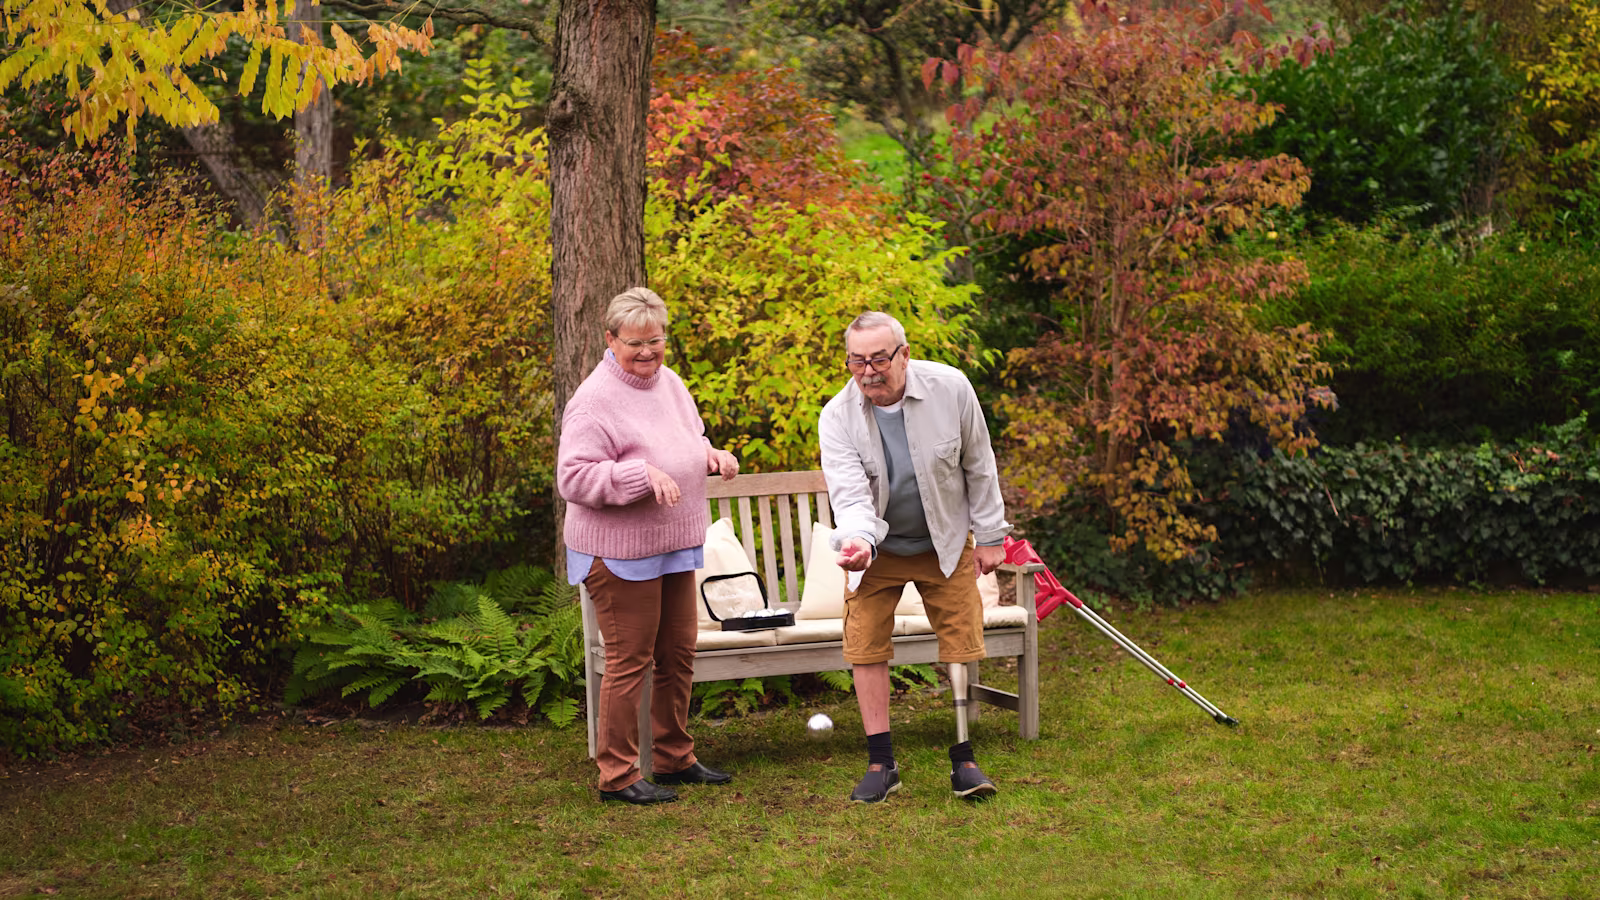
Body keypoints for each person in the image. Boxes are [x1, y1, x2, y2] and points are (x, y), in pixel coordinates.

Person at [818, 311, 1012, 803]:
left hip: (943, 541)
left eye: (880, 358)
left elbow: (979, 463)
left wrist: (990, 535)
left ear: (904, 354)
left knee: (961, 641)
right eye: (857, 361)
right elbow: (850, 497)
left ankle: (965, 758)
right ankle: (881, 763)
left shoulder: (951, 388)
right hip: (876, 551)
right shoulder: (836, 416)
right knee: (864, 646)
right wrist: (858, 543)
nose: (869, 371)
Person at [557, 287, 740, 805]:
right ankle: (617, 775)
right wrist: (639, 474)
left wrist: (710, 455)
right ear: (610, 340)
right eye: (635, 342)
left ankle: (674, 758)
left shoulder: (671, 383)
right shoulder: (592, 401)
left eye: (655, 340)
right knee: (629, 659)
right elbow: (573, 478)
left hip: (674, 544)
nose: (646, 352)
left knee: (678, 653)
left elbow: (684, 439)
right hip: (619, 553)